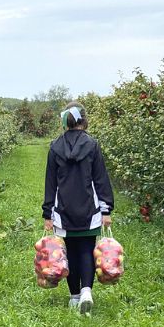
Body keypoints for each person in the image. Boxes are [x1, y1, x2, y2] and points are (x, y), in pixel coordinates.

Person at [42, 102, 114, 314]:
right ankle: (86, 291)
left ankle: (74, 297)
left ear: (66, 121)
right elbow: (100, 179)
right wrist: (106, 209)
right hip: (89, 209)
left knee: (70, 251)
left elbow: (50, 183)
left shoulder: (55, 147)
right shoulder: (92, 145)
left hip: (63, 210)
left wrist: (48, 213)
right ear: (84, 119)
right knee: (86, 249)